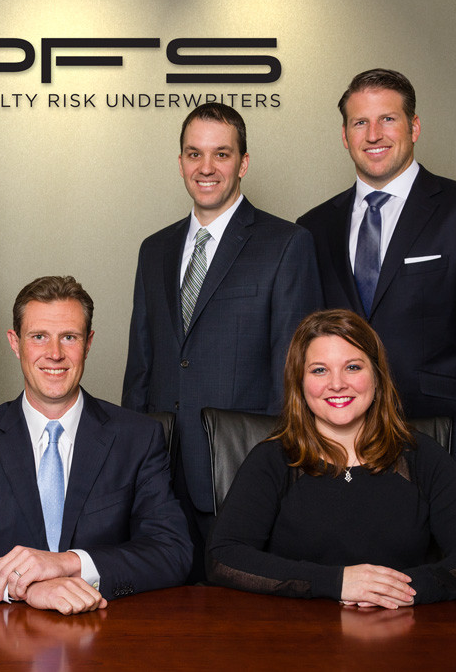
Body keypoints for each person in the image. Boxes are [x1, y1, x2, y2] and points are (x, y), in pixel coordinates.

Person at [297, 68, 456, 508]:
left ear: (414, 127)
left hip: (444, 447)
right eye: (360, 122)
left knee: (443, 576)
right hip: (338, 452)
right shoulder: (313, 227)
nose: (373, 134)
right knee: (351, 576)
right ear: (345, 135)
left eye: (389, 119)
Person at [0, 276, 191, 615]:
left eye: (69, 337)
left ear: (88, 343)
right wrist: (22, 583)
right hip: (0, 641)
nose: (54, 354)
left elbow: (173, 551)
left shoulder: (138, 438)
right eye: (39, 337)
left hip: (108, 633)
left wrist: (68, 564)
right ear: (15, 343)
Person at [122, 102, 321, 575]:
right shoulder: (155, 248)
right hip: (160, 477)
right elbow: (141, 365)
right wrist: (127, 464)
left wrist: (282, 473)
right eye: (194, 154)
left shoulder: (286, 244)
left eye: (221, 154)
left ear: (243, 163)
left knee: (241, 626)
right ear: (181, 162)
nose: (206, 168)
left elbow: (293, 372)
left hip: (242, 473)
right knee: (163, 620)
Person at [207, 309, 456, 607]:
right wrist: (336, 583)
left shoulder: (421, 455)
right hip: (295, 639)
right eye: (319, 370)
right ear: (299, 382)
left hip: (403, 635)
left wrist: (397, 590)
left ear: (376, 375)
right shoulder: (271, 459)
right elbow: (223, 557)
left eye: (352, 367)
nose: (337, 384)